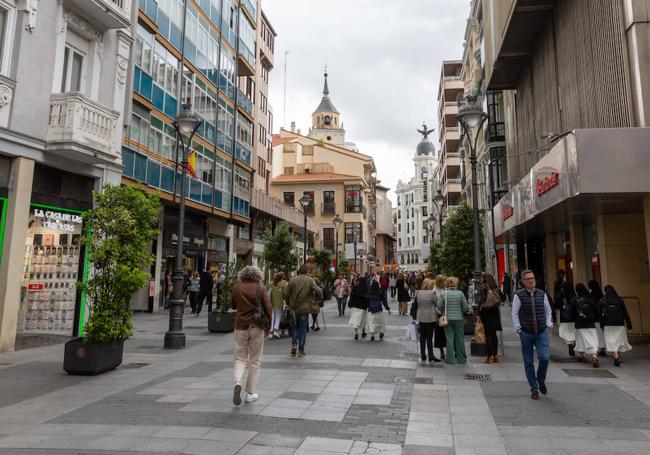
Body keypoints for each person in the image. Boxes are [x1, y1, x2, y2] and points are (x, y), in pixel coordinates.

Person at [230, 266, 272, 405]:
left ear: (242, 275)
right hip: (257, 326)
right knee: (255, 360)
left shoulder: (237, 287)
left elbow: (233, 306)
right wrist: (269, 326)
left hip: (240, 326)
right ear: (257, 275)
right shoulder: (260, 288)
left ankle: (237, 383)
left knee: (240, 358)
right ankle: (250, 393)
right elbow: (268, 308)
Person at [511, 270, 553, 400]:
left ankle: (540, 380)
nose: (531, 280)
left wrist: (548, 323)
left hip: (541, 332)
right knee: (528, 362)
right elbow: (514, 313)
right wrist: (518, 329)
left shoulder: (542, 294)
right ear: (523, 282)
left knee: (544, 357)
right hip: (526, 333)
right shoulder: (519, 295)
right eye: (528, 279)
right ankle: (534, 389)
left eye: (532, 278)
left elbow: (548, 311)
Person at [287, 265, 323, 357]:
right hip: (304, 308)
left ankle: (294, 345)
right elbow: (318, 290)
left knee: (294, 327)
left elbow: (287, 294)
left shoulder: (292, 280)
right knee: (302, 329)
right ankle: (301, 350)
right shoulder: (310, 280)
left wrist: (288, 303)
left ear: (299, 271)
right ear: (306, 271)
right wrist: (319, 299)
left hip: (294, 308)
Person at [436, 276, 469, 365]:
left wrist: (443, 311)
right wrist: (460, 312)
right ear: (456, 284)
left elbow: (439, 306)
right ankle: (461, 358)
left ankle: (450, 359)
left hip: (447, 318)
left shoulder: (444, 294)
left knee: (449, 338)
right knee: (460, 338)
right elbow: (466, 307)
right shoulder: (460, 293)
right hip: (459, 319)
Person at [599, 285, 632, 366]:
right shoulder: (620, 300)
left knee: (611, 341)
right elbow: (625, 313)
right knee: (618, 341)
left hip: (608, 324)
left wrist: (601, 325)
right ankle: (617, 355)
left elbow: (600, 314)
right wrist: (629, 324)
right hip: (620, 324)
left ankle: (616, 357)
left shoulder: (603, 300)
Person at [573, 282, 600, 367]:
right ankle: (594, 355)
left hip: (580, 323)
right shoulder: (590, 298)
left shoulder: (575, 299)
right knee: (593, 339)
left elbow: (571, 311)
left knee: (581, 340)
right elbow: (596, 309)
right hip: (590, 323)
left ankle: (581, 355)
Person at [414, 279, 440, 362]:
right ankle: (431, 355)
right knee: (429, 337)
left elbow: (416, 304)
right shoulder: (432, 293)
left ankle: (423, 354)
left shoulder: (418, 293)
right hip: (430, 316)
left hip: (421, 316)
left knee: (422, 336)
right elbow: (437, 303)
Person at [480, 273, 502, 364]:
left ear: (484, 278)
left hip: (486, 312)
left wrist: (479, 313)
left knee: (488, 334)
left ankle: (489, 356)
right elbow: (502, 298)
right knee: (494, 335)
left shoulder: (484, 287)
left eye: (481, 278)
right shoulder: (495, 287)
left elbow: (481, 301)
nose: (480, 279)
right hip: (495, 313)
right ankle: (496, 355)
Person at [365, 277, 389, 341]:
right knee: (380, 322)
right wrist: (387, 308)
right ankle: (381, 333)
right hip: (379, 309)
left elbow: (366, 302)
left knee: (371, 322)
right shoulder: (380, 292)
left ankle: (372, 335)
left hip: (371, 310)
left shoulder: (369, 292)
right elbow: (384, 301)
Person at [588, 279, 607, 356]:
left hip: (595, 317)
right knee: (602, 333)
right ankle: (603, 348)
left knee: (597, 333)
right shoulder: (600, 294)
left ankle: (599, 348)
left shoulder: (591, 295)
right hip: (602, 317)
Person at [558, 281, 577, 357]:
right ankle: (573, 343)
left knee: (566, 332)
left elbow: (557, 305)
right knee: (573, 332)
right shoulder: (574, 295)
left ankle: (570, 346)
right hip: (574, 318)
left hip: (564, 318)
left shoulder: (561, 295)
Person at [348, 273, 369, 339]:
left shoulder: (355, 287)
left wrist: (350, 303)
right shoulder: (366, 289)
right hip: (363, 307)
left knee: (355, 320)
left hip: (355, 306)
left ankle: (356, 333)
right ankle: (363, 332)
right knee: (363, 320)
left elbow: (351, 295)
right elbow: (367, 298)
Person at [269, 272, 288, 339]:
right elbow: (285, 294)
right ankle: (275, 331)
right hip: (279, 303)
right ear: (281, 277)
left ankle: (270, 332)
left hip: (271, 303)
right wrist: (287, 302)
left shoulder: (271, 283)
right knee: (278, 317)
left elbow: (268, 293)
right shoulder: (283, 284)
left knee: (272, 317)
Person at [433, 275, 447, 360]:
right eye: (443, 281)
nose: (445, 283)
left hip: (445, 313)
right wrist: (438, 312)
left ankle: (448, 350)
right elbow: (434, 303)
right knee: (440, 333)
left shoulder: (445, 289)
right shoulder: (434, 291)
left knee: (446, 332)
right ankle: (442, 351)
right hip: (439, 314)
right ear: (439, 282)